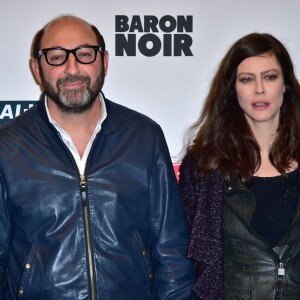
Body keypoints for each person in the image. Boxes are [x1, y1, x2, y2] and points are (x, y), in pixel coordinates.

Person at [0, 15, 195, 299]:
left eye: (84, 54)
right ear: (37, 69)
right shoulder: (7, 147)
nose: (72, 68)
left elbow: (172, 254)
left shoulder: (143, 137)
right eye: (56, 57)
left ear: (104, 60)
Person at [179, 32, 300, 299]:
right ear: (233, 89)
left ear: (286, 84)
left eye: (270, 77)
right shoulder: (204, 167)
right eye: (247, 79)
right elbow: (184, 259)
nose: (259, 89)